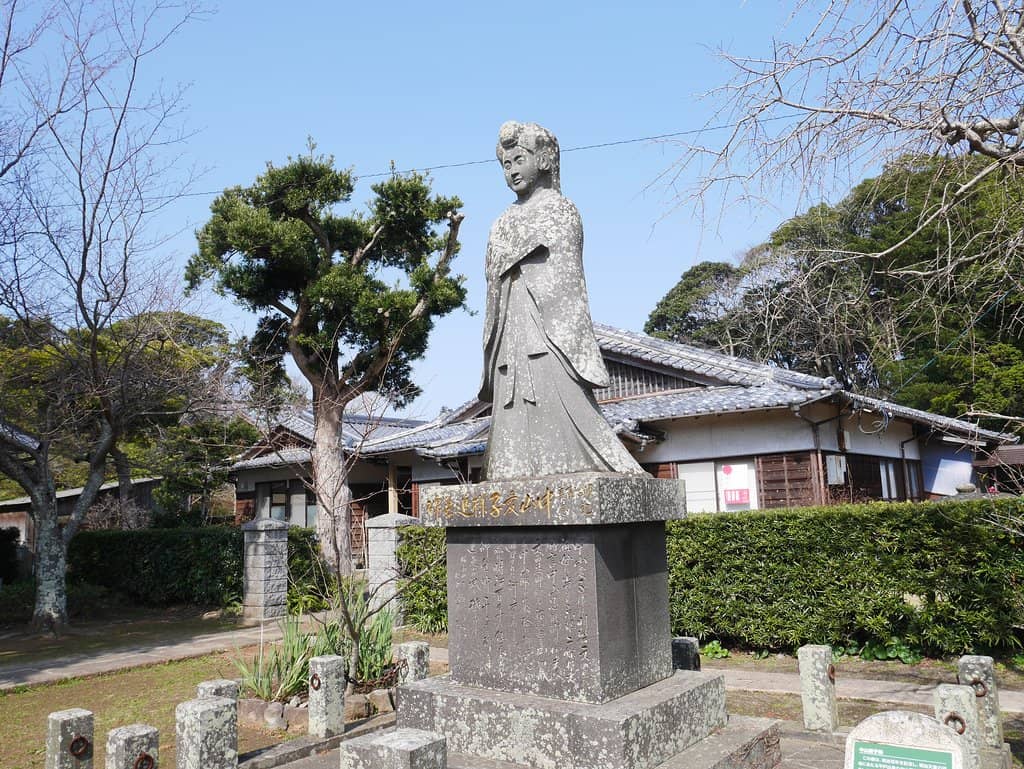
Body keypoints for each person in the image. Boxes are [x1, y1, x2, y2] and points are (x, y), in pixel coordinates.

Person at [478, 121, 645, 480]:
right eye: (506, 165)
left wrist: (513, 254)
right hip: (511, 321)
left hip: (546, 322)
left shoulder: (560, 209)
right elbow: (492, 270)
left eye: (519, 160)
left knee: (554, 380)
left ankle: (574, 457)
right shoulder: (501, 221)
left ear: (543, 160)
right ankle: (513, 465)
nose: (512, 171)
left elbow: (563, 266)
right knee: (510, 392)